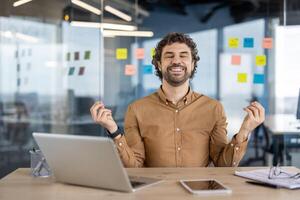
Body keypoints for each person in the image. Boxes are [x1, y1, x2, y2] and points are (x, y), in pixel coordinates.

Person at [90, 32, 265, 168]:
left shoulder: (213, 108)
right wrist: (113, 129)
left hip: (199, 194)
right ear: (159, 64)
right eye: (169, 56)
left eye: (183, 55)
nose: (176, 61)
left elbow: (223, 165)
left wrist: (245, 130)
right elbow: (134, 166)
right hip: (155, 193)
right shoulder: (136, 109)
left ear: (193, 64)